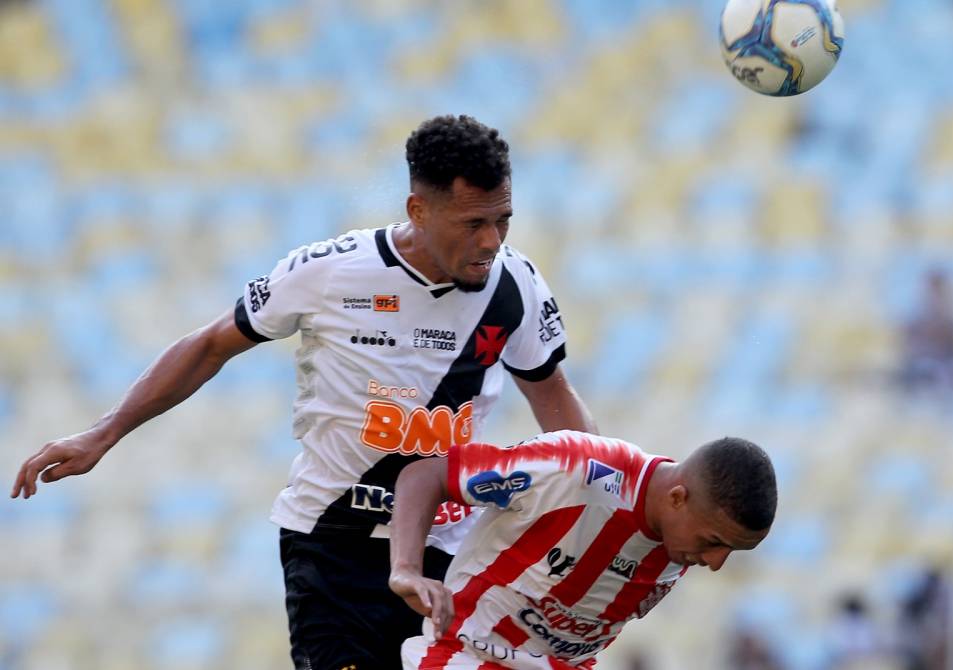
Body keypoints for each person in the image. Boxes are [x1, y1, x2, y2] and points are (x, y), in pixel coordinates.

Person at [11, 115, 597, 670]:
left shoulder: (516, 283)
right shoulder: (329, 271)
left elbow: (553, 398)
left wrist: (603, 501)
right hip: (332, 543)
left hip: (450, 550)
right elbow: (212, 343)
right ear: (418, 209)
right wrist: (103, 433)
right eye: (474, 223)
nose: (493, 240)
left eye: (504, 220)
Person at [386, 430, 776, 669]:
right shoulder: (573, 469)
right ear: (677, 498)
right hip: (465, 659)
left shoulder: (681, 545)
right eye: (714, 543)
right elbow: (428, 474)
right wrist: (406, 568)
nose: (715, 563)